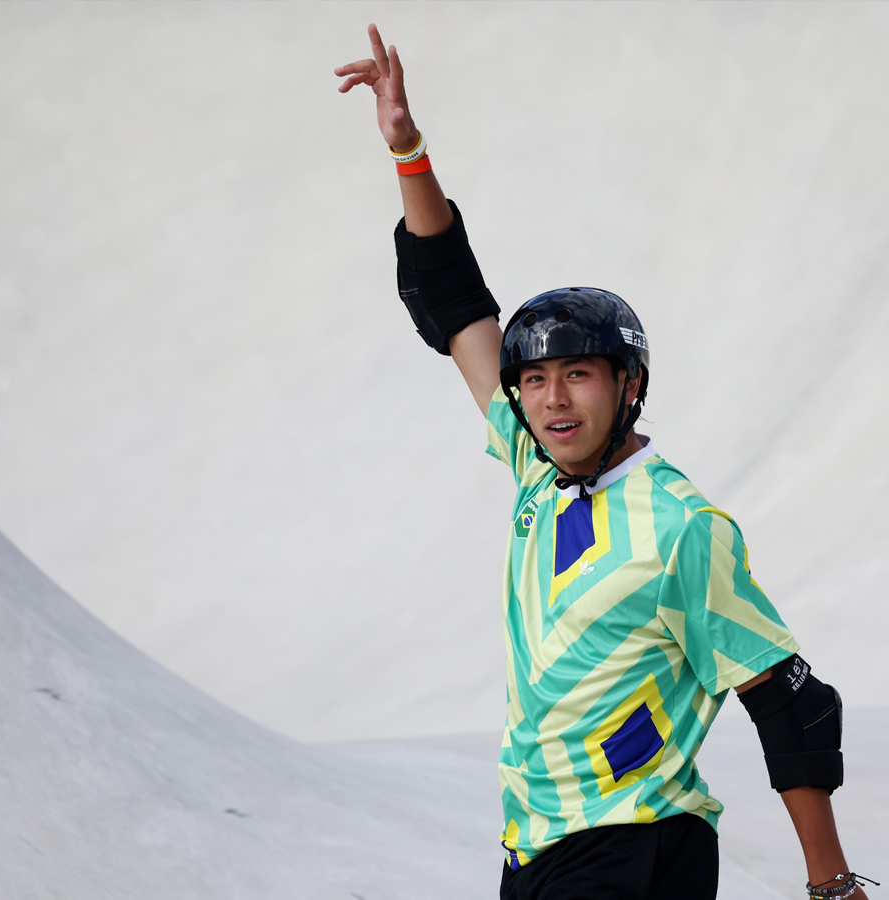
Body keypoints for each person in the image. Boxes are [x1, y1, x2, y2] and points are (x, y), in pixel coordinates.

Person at [336, 24, 875, 900]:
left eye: (578, 376)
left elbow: (788, 699)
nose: (552, 400)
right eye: (536, 380)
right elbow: (456, 299)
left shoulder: (682, 528)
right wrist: (408, 150)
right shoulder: (535, 467)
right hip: (536, 848)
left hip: (639, 848)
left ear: (628, 387)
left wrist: (831, 884)